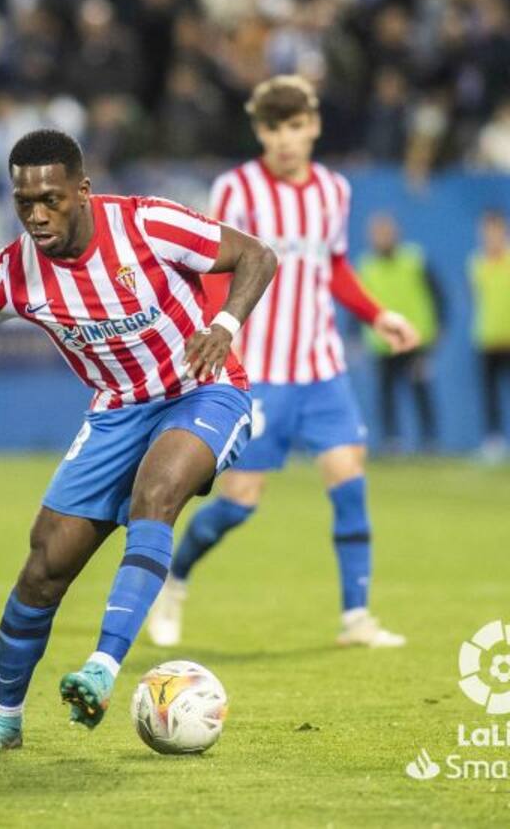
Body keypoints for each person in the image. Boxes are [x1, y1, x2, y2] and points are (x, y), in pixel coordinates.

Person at [0, 128, 276, 751]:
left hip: (203, 390)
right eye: (24, 203)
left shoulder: (148, 224)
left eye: (51, 200)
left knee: (156, 495)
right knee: (44, 567)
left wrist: (224, 325)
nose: (37, 215)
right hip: (115, 413)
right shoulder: (13, 273)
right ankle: (5, 718)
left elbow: (257, 256)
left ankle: (102, 667)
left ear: (82, 190)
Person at [149, 75, 419, 651]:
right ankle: (175, 579)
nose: (286, 139)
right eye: (274, 128)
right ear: (259, 131)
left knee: (349, 481)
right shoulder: (237, 188)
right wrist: (225, 337)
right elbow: (216, 270)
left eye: (296, 126)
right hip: (261, 372)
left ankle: (356, 617)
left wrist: (378, 315)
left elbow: (334, 266)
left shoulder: (334, 190)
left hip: (322, 368)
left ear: (314, 126)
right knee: (239, 502)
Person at [358, 213, 444, 452]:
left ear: (396, 233)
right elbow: (359, 302)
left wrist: (439, 326)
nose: (382, 238)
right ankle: (391, 440)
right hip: (383, 343)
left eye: (386, 232)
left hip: (415, 340)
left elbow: (437, 294)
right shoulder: (367, 266)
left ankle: (430, 440)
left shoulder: (414, 259)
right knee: (386, 394)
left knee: (420, 391)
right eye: (377, 233)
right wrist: (355, 334)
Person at [470, 210, 510, 461]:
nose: (491, 237)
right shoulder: (476, 263)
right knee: (490, 395)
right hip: (487, 339)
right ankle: (494, 442)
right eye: (486, 232)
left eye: (496, 231)